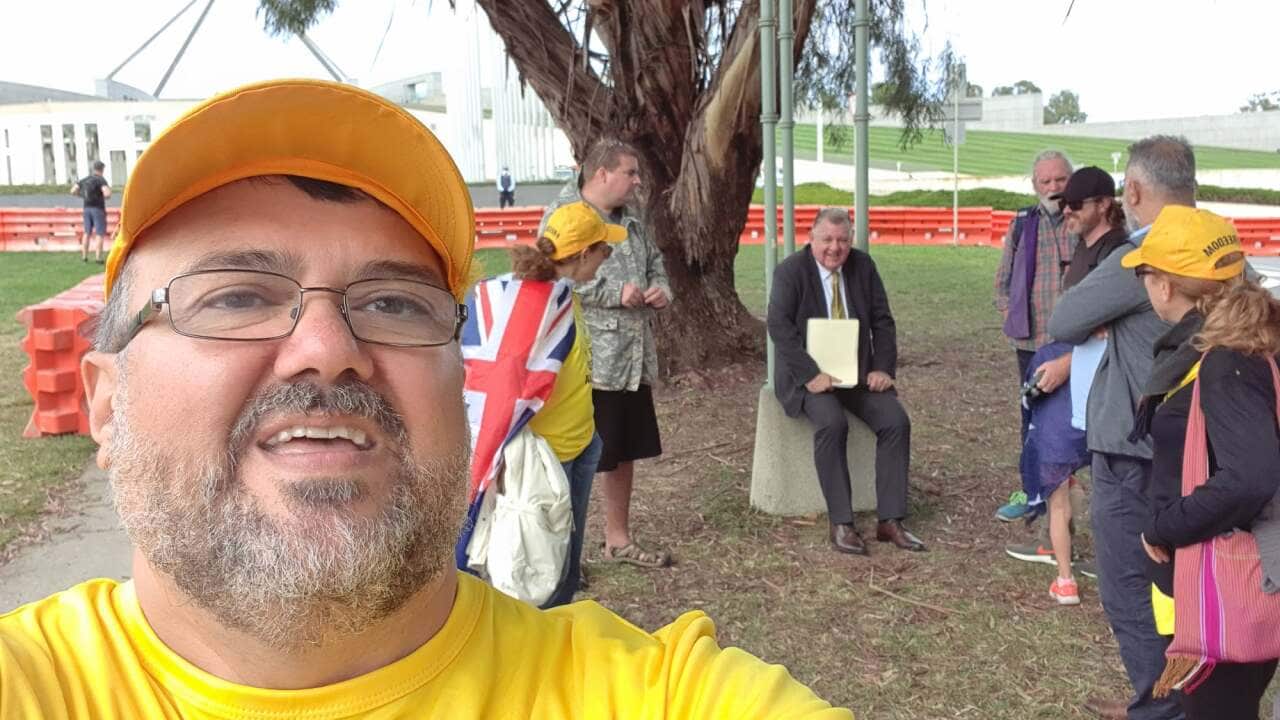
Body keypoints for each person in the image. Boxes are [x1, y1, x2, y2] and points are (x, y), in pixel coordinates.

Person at [0, 79, 851, 719]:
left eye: (392, 304)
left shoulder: (651, 695)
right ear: (106, 404)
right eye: (235, 297)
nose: (329, 350)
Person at [1048, 136, 1195, 720]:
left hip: (1132, 451)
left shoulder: (1142, 253)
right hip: (1191, 449)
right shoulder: (1219, 243)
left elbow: (1064, 318)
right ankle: (1163, 697)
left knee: (1132, 589)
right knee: (1179, 594)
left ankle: (1160, 708)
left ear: (1131, 192)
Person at [1123, 206, 1280, 720]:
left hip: (1229, 578)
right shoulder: (1256, 337)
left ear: (1165, 285)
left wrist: (1165, 528)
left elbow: (1251, 475)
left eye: (1145, 273)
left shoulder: (1226, 358)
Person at [462, 201, 625, 608]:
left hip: (580, 443)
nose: (608, 258)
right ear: (585, 254)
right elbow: (503, 389)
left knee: (564, 558)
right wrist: (493, 459)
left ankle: (560, 624)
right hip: (543, 461)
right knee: (541, 566)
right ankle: (544, 638)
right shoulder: (536, 304)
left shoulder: (562, 297)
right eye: (605, 250)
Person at [542, 139, 673, 569]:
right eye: (630, 173)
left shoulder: (631, 219)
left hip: (630, 357)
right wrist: (617, 292)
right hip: (589, 360)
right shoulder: (562, 215)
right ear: (601, 174)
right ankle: (564, 553)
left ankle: (617, 540)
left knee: (622, 450)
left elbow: (655, 263)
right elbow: (553, 279)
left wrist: (659, 290)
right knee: (576, 455)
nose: (637, 182)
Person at [767, 208, 924, 556]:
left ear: (850, 241)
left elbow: (883, 321)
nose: (834, 248)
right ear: (812, 238)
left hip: (856, 374)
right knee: (832, 423)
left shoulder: (863, 267)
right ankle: (842, 523)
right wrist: (811, 374)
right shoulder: (791, 272)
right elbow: (779, 328)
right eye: (827, 239)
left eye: (842, 240)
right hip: (807, 376)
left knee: (896, 422)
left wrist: (882, 367)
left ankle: (890, 520)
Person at [1003, 167, 1128, 604]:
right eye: (1061, 202)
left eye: (1075, 203)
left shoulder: (1120, 257)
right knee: (1056, 469)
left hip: (1098, 386)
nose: (1066, 209)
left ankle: (1114, 564)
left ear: (1104, 204)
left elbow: (1116, 332)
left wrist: (1066, 364)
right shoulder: (1082, 245)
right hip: (1060, 368)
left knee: (1110, 477)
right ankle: (1061, 555)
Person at [993, 150, 1077, 523]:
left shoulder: (1083, 223)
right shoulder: (1022, 224)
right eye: (1046, 181)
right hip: (1030, 342)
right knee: (1030, 417)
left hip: (1074, 342)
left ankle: (1066, 498)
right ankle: (1031, 493)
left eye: (1060, 180)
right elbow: (1003, 279)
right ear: (1035, 185)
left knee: (1072, 420)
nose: (1054, 187)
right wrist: (1007, 310)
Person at [69, 160, 111, 262]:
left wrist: (81, 195)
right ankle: (98, 257)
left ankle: (84, 256)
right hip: (98, 209)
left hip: (87, 208)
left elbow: (72, 191)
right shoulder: (101, 180)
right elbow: (107, 194)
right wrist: (104, 196)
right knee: (99, 233)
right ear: (102, 169)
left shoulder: (86, 179)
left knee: (87, 232)